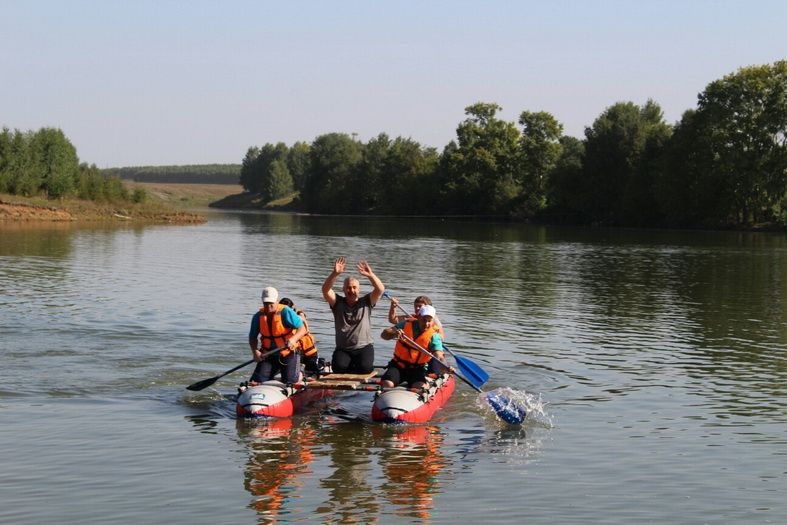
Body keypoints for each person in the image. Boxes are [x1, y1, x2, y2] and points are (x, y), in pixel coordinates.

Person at [321, 257, 385, 374]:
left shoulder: (366, 302)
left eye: (354, 287)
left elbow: (380, 289)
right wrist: (334, 274)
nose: (351, 290)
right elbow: (325, 290)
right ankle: (348, 367)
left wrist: (370, 275)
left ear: (359, 290)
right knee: (339, 367)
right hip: (343, 349)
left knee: (365, 368)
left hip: (364, 347)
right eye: (348, 288)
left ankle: (360, 368)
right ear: (344, 290)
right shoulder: (337, 303)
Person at [380, 304, 449, 389]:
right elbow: (384, 335)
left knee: (420, 387)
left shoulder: (434, 336)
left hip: (417, 369)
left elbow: (439, 356)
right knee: (387, 383)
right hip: (398, 365)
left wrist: (446, 367)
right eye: (424, 320)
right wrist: (394, 333)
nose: (426, 324)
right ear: (419, 317)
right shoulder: (406, 324)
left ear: (433, 321)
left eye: (429, 321)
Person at [248, 286, 307, 385]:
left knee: (290, 381)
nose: (268, 307)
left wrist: (293, 339)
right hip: (268, 354)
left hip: (288, 353)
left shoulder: (286, 312)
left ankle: (300, 371)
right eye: (266, 303)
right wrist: (255, 351)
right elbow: (252, 337)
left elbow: (302, 329)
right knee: (256, 381)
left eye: (271, 303)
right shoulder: (258, 316)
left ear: (277, 301)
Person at [278, 297, 322, 373]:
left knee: (312, 368)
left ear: (292, 308)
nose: (286, 314)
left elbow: (302, 318)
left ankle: (321, 364)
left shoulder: (299, 316)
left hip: (309, 353)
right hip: (296, 354)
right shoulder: (280, 319)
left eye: (288, 310)